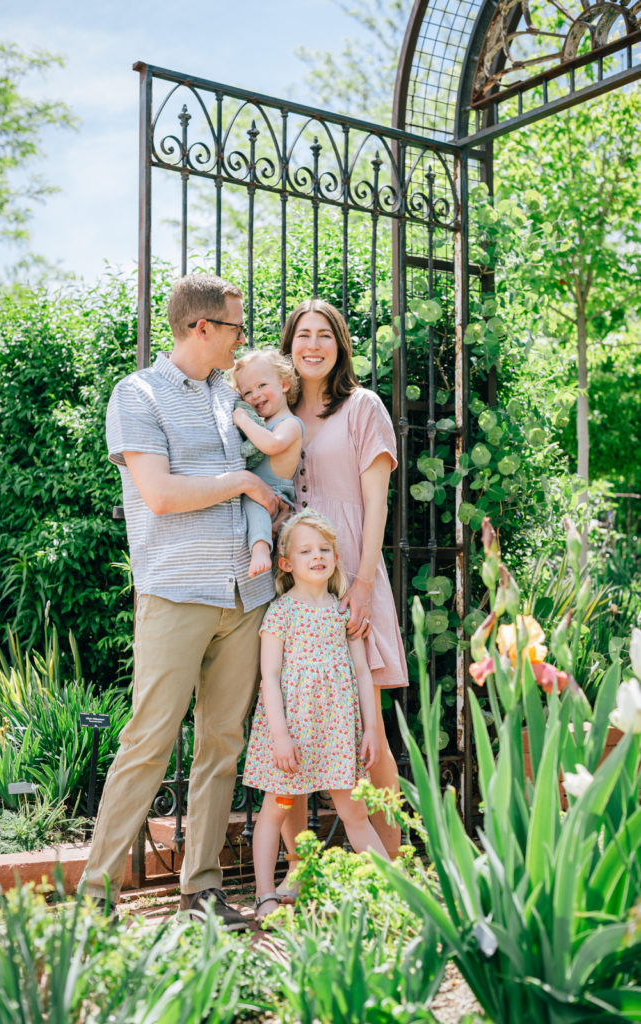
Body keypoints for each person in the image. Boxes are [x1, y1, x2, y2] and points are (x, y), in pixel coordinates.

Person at [79, 273, 279, 929]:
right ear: (202, 328)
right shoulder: (136, 395)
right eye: (235, 328)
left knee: (222, 746)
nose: (241, 340)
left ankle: (203, 892)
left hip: (243, 598)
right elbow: (160, 493)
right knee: (148, 742)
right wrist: (242, 480)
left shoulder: (231, 397)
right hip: (174, 595)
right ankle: (95, 897)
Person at [277, 298, 408, 879]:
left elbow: (378, 503)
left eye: (323, 335)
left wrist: (359, 583)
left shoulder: (363, 407)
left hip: (353, 572)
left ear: (340, 345)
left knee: (368, 728)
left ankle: (398, 868)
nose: (312, 344)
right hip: (292, 589)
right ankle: (299, 875)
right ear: (288, 345)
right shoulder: (272, 412)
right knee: (295, 728)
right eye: (302, 334)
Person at [242, 509, 388, 921]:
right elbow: (269, 677)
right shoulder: (281, 612)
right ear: (287, 564)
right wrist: (281, 737)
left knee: (354, 812)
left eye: (325, 548)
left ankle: (395, 890)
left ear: (336, 557)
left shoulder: (344, 613)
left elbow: (362, 672)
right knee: (277, 808)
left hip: (337, 732)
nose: (317, 556)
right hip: (292, 733)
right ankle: (266, 893)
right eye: (306, 550)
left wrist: (371, 730)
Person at [230, 348, 303, 577]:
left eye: (262, 386)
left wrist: (242, 419)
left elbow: (271, 445)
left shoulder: (290, 423)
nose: (256, 395)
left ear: (284, 384)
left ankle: (261, 549)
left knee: (255, 504)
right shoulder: (264, 423)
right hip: (259, 493)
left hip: (274, 494)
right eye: (247, 392)